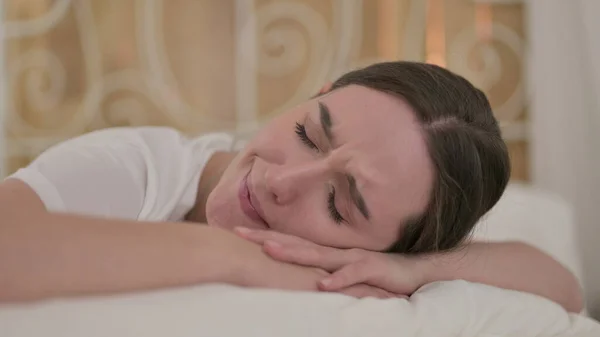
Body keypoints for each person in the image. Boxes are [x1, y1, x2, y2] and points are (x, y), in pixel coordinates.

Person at [0, 62, 583, 312]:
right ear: (315, 94)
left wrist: (418, 271)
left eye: (339, 203)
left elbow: (561, 286)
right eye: (308, 131)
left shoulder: (387, 264)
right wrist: (241, 259)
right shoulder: (144, 168)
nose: (280, 180)